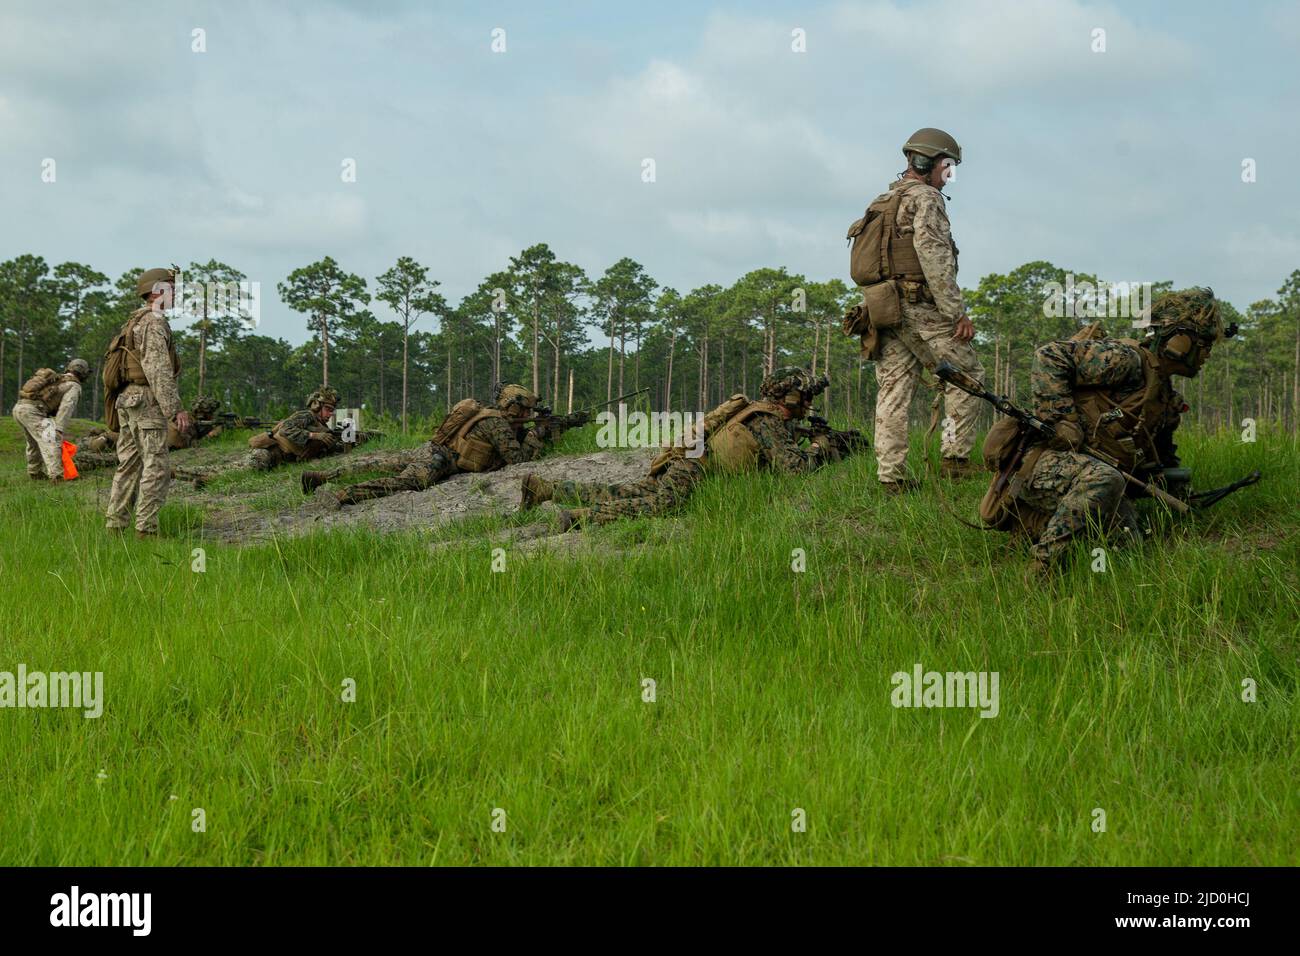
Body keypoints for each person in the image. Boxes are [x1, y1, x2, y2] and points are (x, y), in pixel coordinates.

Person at [999, 288, 1225, 576]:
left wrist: (1181, 492)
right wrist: (1062, 421)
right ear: (1178, 340)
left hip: (1094, 479)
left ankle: (1034, 526)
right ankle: (1042, 568)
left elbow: (1159, 465)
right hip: (1040, 467)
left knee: (1130, 549)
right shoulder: (1127, 360)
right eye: (1203, 343)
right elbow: (1049, 357)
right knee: (1104, 479)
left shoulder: (1166, 399)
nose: (1207, 354)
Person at [521, 366, 856, 530]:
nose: (810, 402)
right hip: (695, 468)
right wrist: (821, 448)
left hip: (689, 460)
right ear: (790, 398)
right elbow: (794, 470)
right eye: (806, 395)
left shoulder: (761, 416)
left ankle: (547, 488)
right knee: (660, 506)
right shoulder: (767, 420)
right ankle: (576, 519)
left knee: (623, 490)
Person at [847, 127, 985, 492]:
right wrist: (957, 313)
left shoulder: (883, 201)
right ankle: (955, 461)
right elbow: (934, 256)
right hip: (921, 309)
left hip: (884, 310)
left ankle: (892, 478)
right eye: (948, 166)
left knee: (893, 391)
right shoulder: (927, 199)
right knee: (967, 379)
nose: (949, 174)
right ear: (928, 162)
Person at [300, 384, 574, 506]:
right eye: (525, 410)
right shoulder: (498, 424)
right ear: (514, 407)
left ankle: (323, 476)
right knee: (405, 482)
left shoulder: (487, 413)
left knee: (377, 462)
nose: (527, 414)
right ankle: (343, 495)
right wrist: (537, 435)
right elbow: (518, 462)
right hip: (439, 460)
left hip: (430, 448)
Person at [104, 269, 187, 537]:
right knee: (157, 465)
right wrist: (174, 409)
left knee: (127, 465)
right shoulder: (153, 322)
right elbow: (158, 369)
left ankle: (115, 527)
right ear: (156, 292)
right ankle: (146, 530)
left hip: (128, 401)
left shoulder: (135, 321)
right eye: (171, 288)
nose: (176, 293)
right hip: (146, 401)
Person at [11, 359, 90, 482]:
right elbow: (67, 407)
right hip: (34, 411)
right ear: (84, 373)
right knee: (51, 441)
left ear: (69, 368)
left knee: (33, 443)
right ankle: (57, 476)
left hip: (19, 407)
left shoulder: (58, 378)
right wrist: (59, 428)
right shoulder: (74, 385)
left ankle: (35, 472)